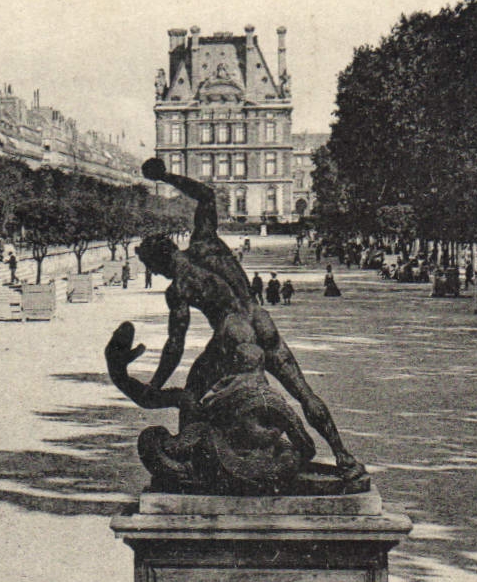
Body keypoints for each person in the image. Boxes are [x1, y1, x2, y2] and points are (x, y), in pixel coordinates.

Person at [124, 159, 366, 479]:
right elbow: (207, 195)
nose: (155, 274)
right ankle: (344, 457)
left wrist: (155, 384)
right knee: (303, 391)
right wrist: (167, 176)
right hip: (261, 320)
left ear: (160, 259)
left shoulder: (179, 287)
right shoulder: (205, 241)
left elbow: (175, 345)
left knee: (193, 392)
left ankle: (189, 463)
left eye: (154, 268)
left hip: (232, 332)